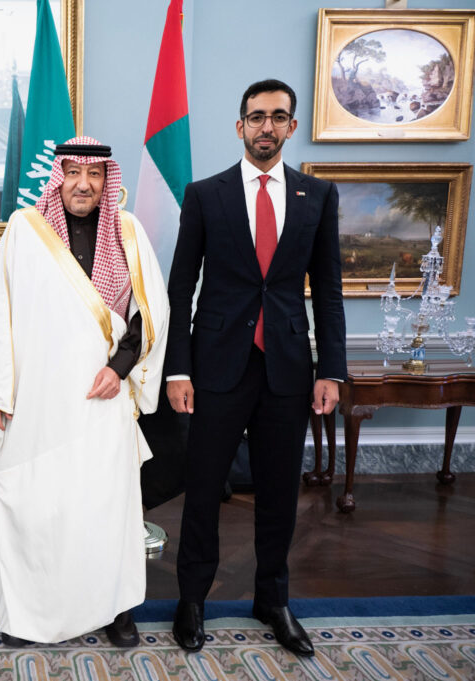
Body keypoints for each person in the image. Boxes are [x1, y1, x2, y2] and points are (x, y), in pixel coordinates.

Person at [165, 79, 346, 657]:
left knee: (279, 491)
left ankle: (273, 599)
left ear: (291, 126)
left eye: (278, 116)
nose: (267, 126)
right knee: (202, 488)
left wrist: (332, 370)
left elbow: (330, 291)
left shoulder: (318, 196)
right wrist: (177, 369)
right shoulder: (204, 194)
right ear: (240, 125)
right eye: (257, 116)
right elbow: (179, 289)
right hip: (215, 367)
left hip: (288, 368)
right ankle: (192, 599)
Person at [0, 137, 169, 646]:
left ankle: (114, 608)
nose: (83, 184)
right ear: (58, 176)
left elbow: (151, 311)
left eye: (95, 174)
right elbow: (2, 314)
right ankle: (30, 612)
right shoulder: (25, 229)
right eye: (73, 173)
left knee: (106, 506)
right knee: (39, 504)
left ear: (107, 180)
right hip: (38, 397)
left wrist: (120, 368)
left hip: (103, 397)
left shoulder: (127, 231)